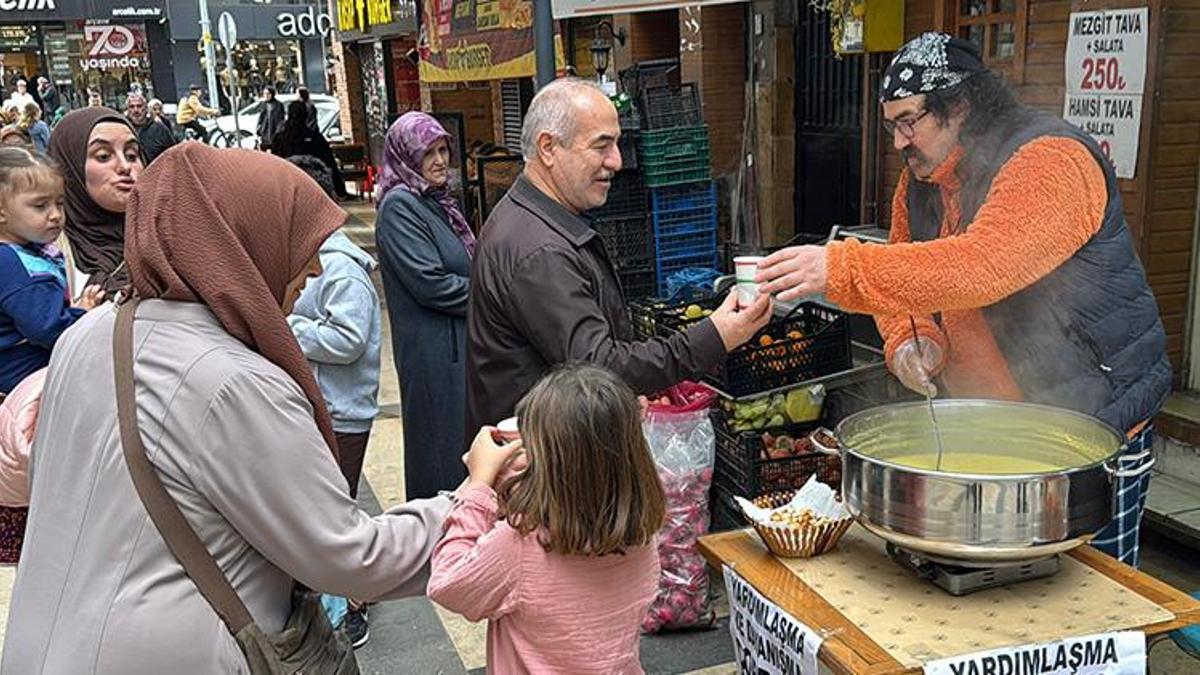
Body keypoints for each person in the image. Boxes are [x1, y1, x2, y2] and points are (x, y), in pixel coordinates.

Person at [1, 143, 453, 672]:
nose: (310, 269)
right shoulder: (232, 381)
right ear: (243, 242)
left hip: (42, 644)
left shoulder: (90, 333)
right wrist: (469, 506)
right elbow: (349, 556)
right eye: (296, 241)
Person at [755, 33, 1171, 567]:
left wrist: (841, 265)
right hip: (992, 427)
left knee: (1092, 606)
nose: (900, 142)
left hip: (1087, 427)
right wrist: (912, 339)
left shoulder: (1051, 160)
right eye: (892, 127)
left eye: (911, 121)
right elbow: (908, 284)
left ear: (962, 106)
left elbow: (986, 265)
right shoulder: (922, 180)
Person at [466, 77, 772, 439]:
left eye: (617, 143)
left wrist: (622, 397)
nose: (617, 161)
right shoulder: (539, 249)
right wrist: (715, 336)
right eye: (602, 145)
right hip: (548, 463)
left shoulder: (535, 221)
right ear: (548, 148)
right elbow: (598, 368)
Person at [429, 362, 663, 673]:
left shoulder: (519, 545)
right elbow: (584, 497)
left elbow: (447, 584)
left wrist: (479, 486)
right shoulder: (641, 529)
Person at [0, 148, 104, 563]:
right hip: (26, 382)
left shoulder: (28, 255)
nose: (55, 215)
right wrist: (84, 314)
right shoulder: (15, 263)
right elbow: (46, 327)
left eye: (59, 203)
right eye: (39, 205)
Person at [374, 112, 474, 499]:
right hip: (433, 353)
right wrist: (492, 296)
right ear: (404, 157)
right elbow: (431, 284)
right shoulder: (400, 207)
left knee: (458, 448)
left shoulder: (435, 202)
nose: (438, 160)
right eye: (426, 153)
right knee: (440, 452)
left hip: (455, 347)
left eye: (443, 149)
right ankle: (437, 544)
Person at [48, 108, 144, 295]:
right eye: (103, 156)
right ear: (70, 169)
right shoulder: (42, 251)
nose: (125, 167)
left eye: (132, 155)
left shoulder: (167, 237)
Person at [271, 100, 347, 199]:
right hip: (315, 187)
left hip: (288, 187)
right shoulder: (316, 139)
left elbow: (275, 165)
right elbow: (329, 162)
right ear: (306, 116)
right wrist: (340, 189)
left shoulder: (280, 139)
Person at [124, 93, 175, 165]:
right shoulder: (123, 129)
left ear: (146, 108)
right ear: (128, 110)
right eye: (132, 107)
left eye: (139, 106)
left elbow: (173, 153)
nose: (136, 110)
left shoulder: (159, 129)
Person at [256, 86, 286, 151]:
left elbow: (281, 119)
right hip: (265, 132)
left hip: (274, 131)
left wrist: (279, 131)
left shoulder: (278, 104)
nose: (266, 96)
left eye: (268, 94)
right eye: (265, 94)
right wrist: (259, 128)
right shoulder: (263, 104)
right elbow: (261, 118)